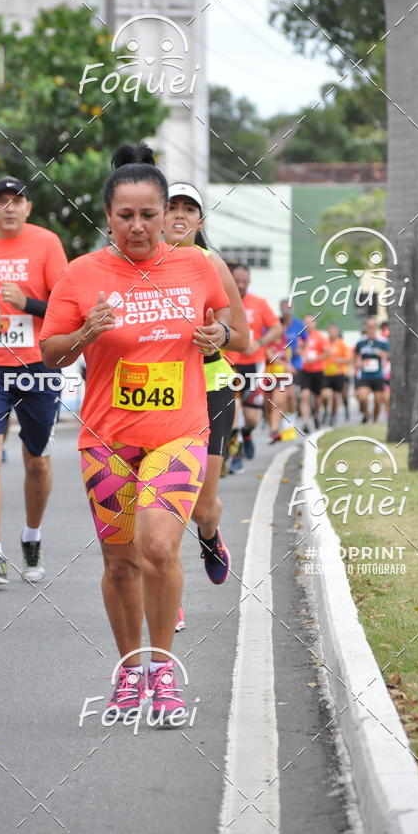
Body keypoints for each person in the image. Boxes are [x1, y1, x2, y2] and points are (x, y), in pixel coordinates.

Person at [40, 144, 230, 724]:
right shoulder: (82, 273)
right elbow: (49, 352)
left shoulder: (197, 266)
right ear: (108, 216)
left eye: (150, 214)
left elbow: (235, 331)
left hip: (178, 432)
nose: (139, 226)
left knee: (157, 547)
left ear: (166, 213)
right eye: (126, 215)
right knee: (120, 563)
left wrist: (217, 336)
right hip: (107, 439)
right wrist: (84, 334)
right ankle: (130, 670)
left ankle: (164, 671)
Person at [0, 176, 68, 585]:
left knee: (36, 460)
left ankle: (32, 537)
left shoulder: (47, 243)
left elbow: (66, 305)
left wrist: (29, 304)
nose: (9, 207)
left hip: (38, 366)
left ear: (28, 208)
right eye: (1, 201)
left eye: (16, 201)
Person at [163, 182, 249, 629]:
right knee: (166, 501)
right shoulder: (141, 265)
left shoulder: (211, 264)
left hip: (211, 388)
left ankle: (211, 535)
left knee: (200, 506)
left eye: (188, 209)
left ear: (200, 220)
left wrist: (218, 335)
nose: (179, 215)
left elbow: (243, 336)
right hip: (163, 393)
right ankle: (168, 592)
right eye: (171, 206)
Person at [224, 265, 282, 462]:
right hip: (228, 363)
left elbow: (276, 328)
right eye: (236, 281)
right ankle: (235, 450)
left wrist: (259, 343)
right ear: (230, 279)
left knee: (252, 418)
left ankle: (246, 434)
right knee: (234, 407)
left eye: (244, 282)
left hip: (253, 364)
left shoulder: (259, 303)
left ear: (249, 282)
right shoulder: (222, 300)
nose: (240, 285)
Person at [298, 315, 330, 434]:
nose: (308, 325)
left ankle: (316, 415)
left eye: (311, 322)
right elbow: (296, 349)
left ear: (315, 323)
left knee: (317, 399)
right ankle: (306, 422)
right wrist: (300, 352)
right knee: (304, 396)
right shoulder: (301, 336)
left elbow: (327, 353)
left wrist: (315, 359)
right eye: (306, 322)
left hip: (318, 371)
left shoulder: (320, 337)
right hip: (305, 371)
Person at [354, 317, 390, 422]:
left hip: (378, 375)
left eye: (373, 327)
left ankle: (375, 420)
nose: (371, 329)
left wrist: (381, 354)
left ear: (376, 328)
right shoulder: (360, 342)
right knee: (362, 397)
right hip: (365, 375)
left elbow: (387, 356)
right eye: (369, 327)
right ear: (366, 328)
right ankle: (366, 413)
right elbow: (356, 357)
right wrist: (358, 363)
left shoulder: (383, 341)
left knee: (378, 401)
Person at [321, 324, 352, 426]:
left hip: (339, 374)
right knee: (325, 395)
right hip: (326, 373)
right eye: (330, 330)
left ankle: (333, 415)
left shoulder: (341, 344)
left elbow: (349, 359)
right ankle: (326, 410)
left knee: (336, 396)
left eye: (334, 330)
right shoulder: (325, 343)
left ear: (337, 331)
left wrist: (341, 360)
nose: (332, 332)